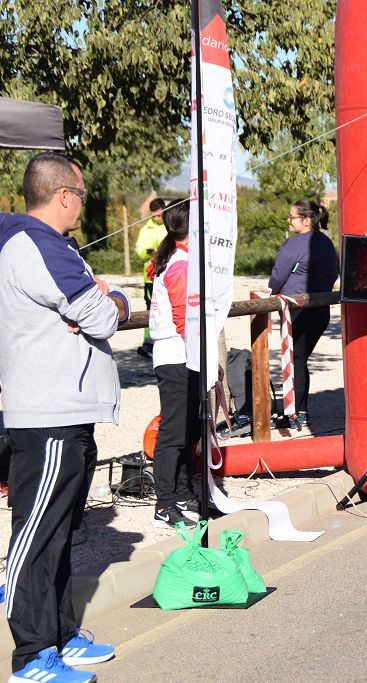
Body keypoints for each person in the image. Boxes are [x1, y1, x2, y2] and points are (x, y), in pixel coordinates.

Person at [0, 153, 129, 681]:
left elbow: (91, 312)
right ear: (63, 194)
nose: (85, 201)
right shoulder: (40, 243)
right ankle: (32, 656)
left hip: (69, 413)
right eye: (82, 192)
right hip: (47, 415)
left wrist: (100, 301)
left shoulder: (54, 246)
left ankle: (59, 637)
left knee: (58, 533)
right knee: (35, 537)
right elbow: (99, 315)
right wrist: (111, 301)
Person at [147, 201, 201, 529]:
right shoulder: (179, 265)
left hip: (182, 355)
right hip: (176, 357)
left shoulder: (178, 259)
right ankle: (164, 505)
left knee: (188, 429)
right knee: (173, 433)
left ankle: (182, 492)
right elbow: (184, 320)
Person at [268, 200, 339, 431]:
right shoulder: (327, 243)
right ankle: (299, 409)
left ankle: (296, 412)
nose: (289, 221)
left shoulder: (294, 244)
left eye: (292, 217)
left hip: (296, 309)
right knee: (300, 358)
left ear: (306, 220)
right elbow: (333, 273)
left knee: (295, 359)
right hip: (321, 308)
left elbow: (278, 276)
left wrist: (272, 293)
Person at [134, 197, 166, 359]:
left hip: (167, 274)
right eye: (154, 216)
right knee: (150, 307)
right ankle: (148, 342)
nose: (157, 219)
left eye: (159, 215)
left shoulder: (170, 226)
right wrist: (147, 251)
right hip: (150, 276)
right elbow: (139, 251)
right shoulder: (145, 230)